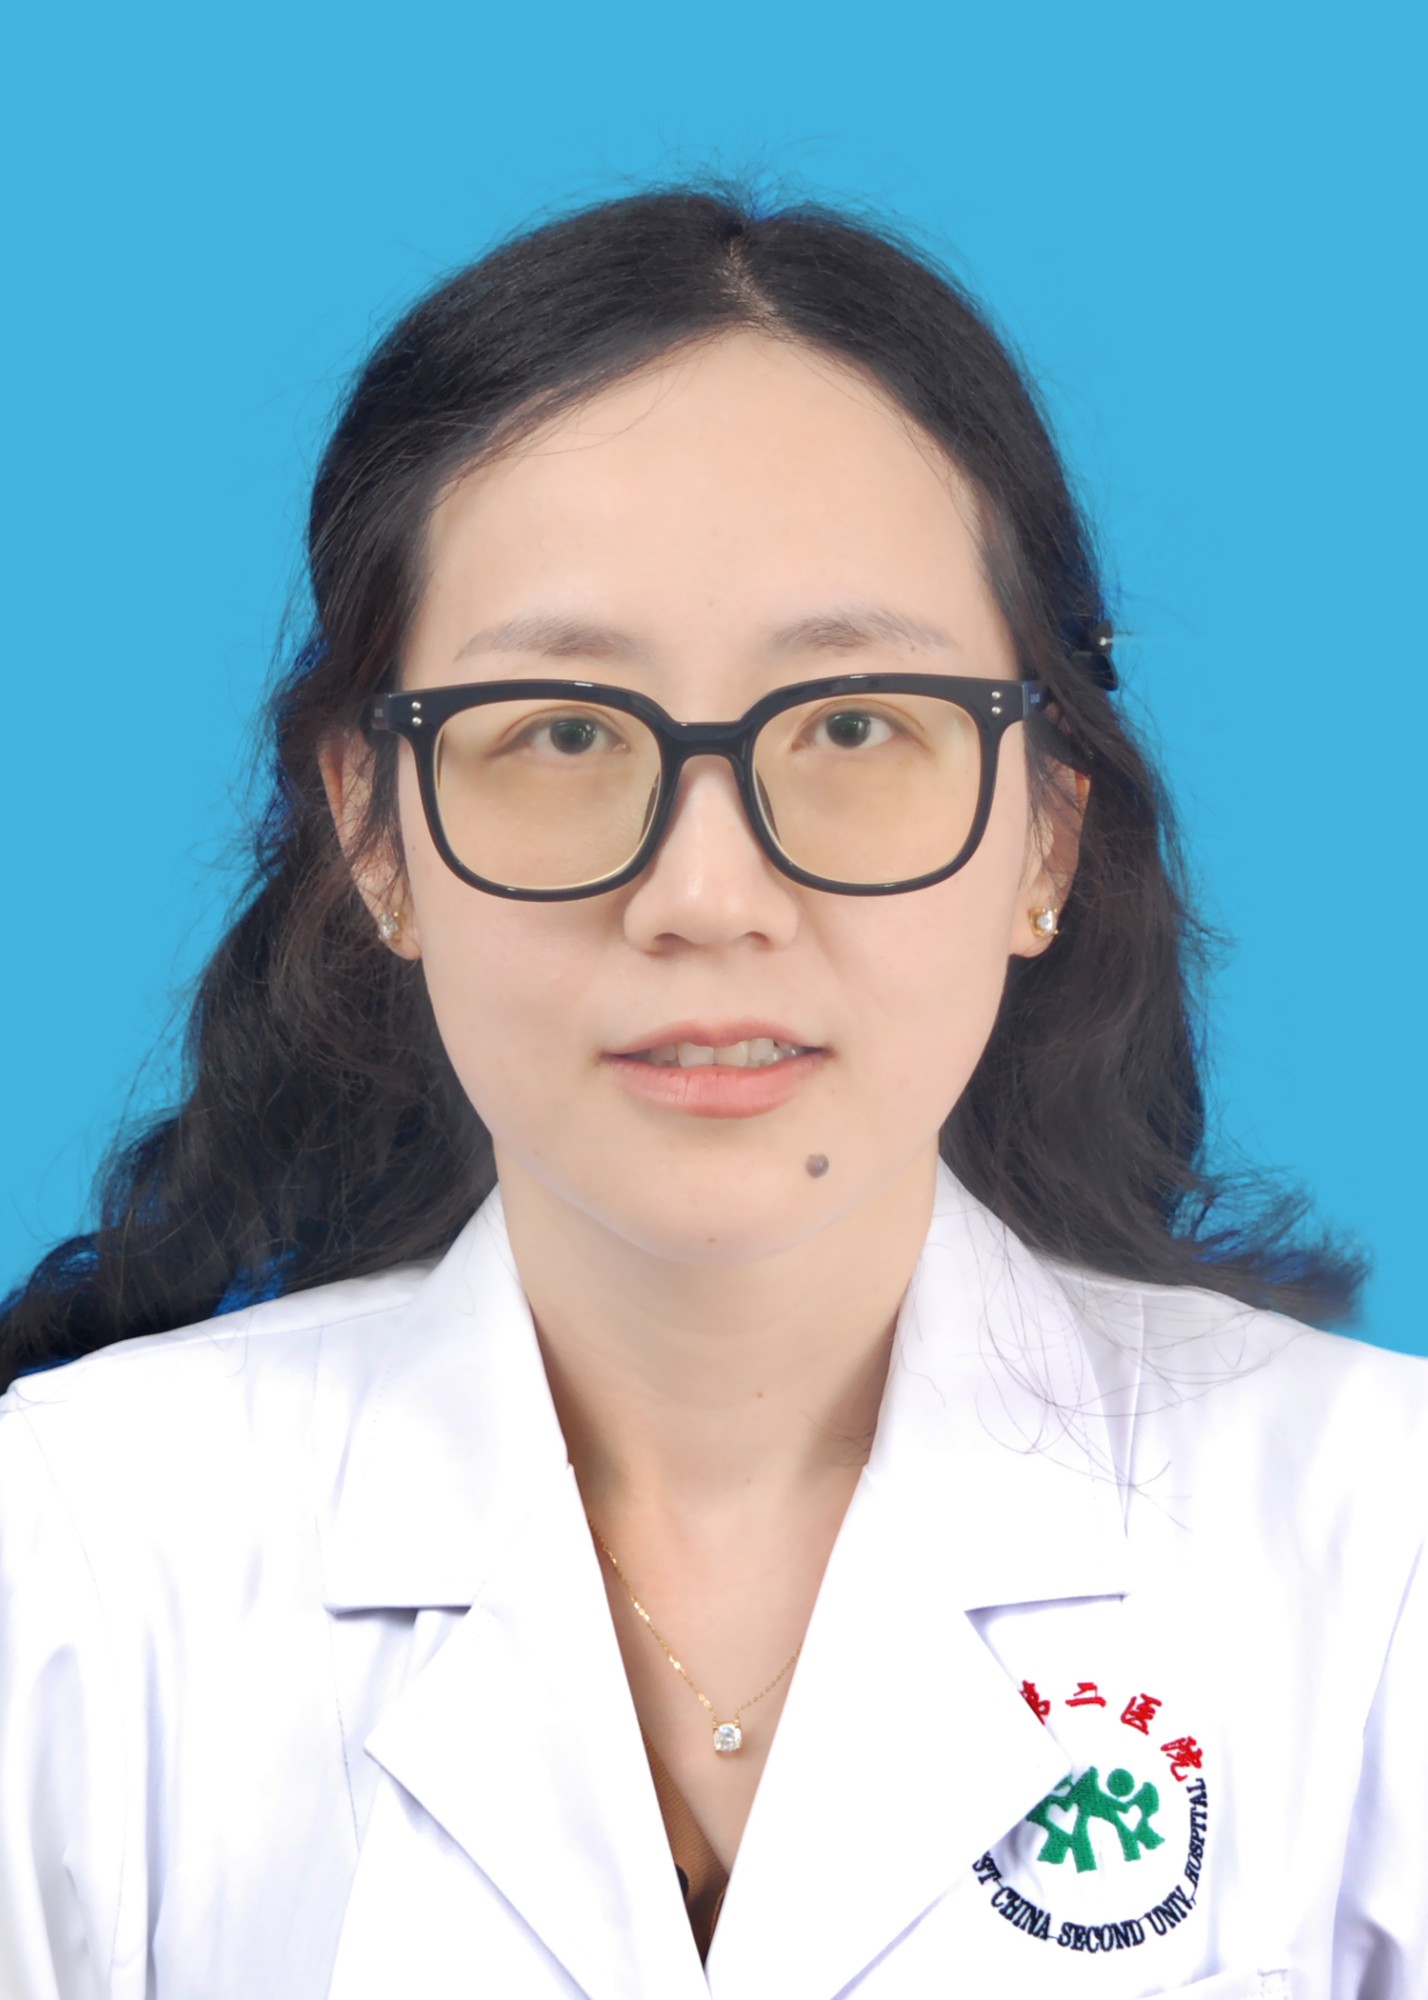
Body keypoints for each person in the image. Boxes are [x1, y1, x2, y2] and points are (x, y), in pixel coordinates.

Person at [0, 182, 1421, 2000]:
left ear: (1046, 836)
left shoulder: (1379, 1553)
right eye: (563, 733)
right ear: (376, 835)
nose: (705, 895)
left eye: (853, 726)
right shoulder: (76, 1567)